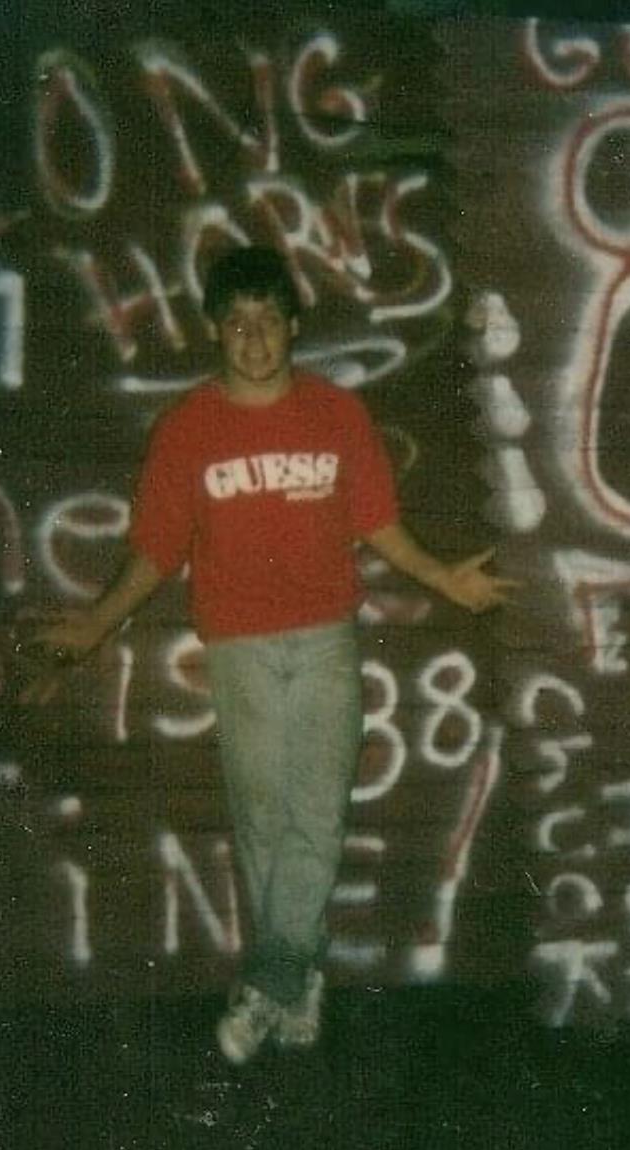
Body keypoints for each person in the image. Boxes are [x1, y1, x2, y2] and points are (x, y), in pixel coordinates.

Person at [26, 246, 513, 1065]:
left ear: (293, 326)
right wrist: (96, 623)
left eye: (268, 319)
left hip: (325, 636)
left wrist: (444, 580)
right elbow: (154, 549)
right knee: (261, 817)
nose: (253, 337)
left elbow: (378, 524)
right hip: (238, 645)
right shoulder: (188, 428)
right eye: (237, 321)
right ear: (217, 330)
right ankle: (296, 979)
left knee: (315, 812)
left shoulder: (337, 415)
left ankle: (270, 980)